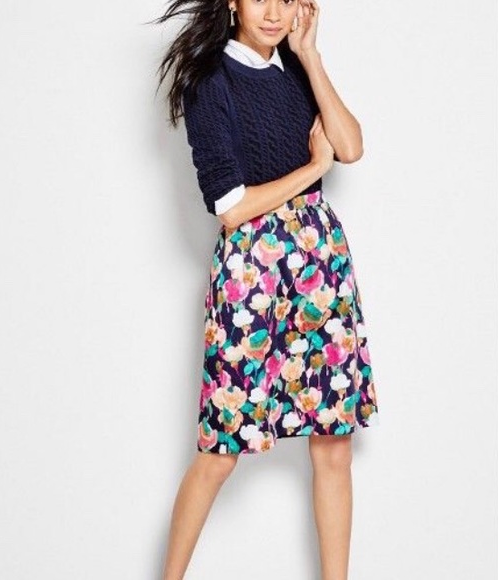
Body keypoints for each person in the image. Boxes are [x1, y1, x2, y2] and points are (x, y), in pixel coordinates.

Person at [152, 1, 379, 578]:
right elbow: (231, 207)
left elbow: (350, 147)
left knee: (333, 441)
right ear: (232, 2)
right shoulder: (209, 78)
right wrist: (313, 170)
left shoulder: (298, 69)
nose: (274, 12)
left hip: (320, 270)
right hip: (252, 274)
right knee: (221, 448)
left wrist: (311, 56)